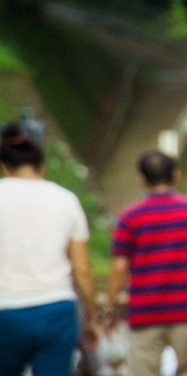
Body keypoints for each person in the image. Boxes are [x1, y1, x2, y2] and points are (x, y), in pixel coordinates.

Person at [0, 123, 99, 375]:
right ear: (42, 164)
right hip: (56, 308)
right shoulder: (65, 200)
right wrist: (91, 317)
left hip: (5, 309)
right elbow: (82, 269)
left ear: (4, 166)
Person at [104, 149, 187, 376]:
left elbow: (120, 267)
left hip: (145, 311)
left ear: (142, 179)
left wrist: (111, 307)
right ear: (176, 174)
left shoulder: (130, 217)